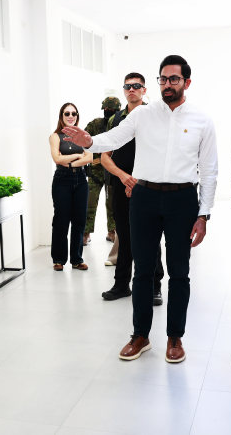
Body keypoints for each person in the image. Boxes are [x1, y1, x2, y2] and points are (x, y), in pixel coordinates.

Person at [62, 55, 218, 364]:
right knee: (143, 270)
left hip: (182, 200)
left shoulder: (202, 120)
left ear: (187, 82)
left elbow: (210, 171)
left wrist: (203, 214)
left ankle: (175, 337)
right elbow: (114, 138)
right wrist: (89, 140)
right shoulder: (143, 115)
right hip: (144, 197)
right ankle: (140, 335)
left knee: (179, 272)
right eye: (163, 79)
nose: (167, 84)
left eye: (174, 79)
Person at [100, 72, 165, 303]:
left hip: (147, 185)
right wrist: (122, 176)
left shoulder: (155, 115)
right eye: (128, 86)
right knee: (124, 235)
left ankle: (155, 286)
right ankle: (121, 285)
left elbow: (161, 152)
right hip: (121, 184)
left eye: (137, 86)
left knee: (150, 236)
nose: (132, 89)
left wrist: (137, 180)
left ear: (144, 90)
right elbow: (105, 155)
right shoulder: (115, 119)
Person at [49, 103, 93, 272]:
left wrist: (69, 161)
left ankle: (77, 259)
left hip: (81, 179)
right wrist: (77, 155)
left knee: (79, 220)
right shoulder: (55, 136)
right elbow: (57, 159)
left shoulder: (84, 136)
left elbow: (89, 158)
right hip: (62, 180)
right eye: (67, 113)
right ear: (61, 116)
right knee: (61, 219)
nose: (70, 116)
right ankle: (58, 259)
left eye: (73, 113)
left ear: (77, 116)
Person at [83, 97, 119, 246]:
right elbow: (83, 142)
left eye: (112, 110)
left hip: (112, 169)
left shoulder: (120, 125)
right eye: (106, 109)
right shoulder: (95, 124)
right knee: (90, 202)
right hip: (96, 171)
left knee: (112, 204)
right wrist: (92, 155)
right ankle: (86, 232)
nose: (108, 112)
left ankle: (112, 231)